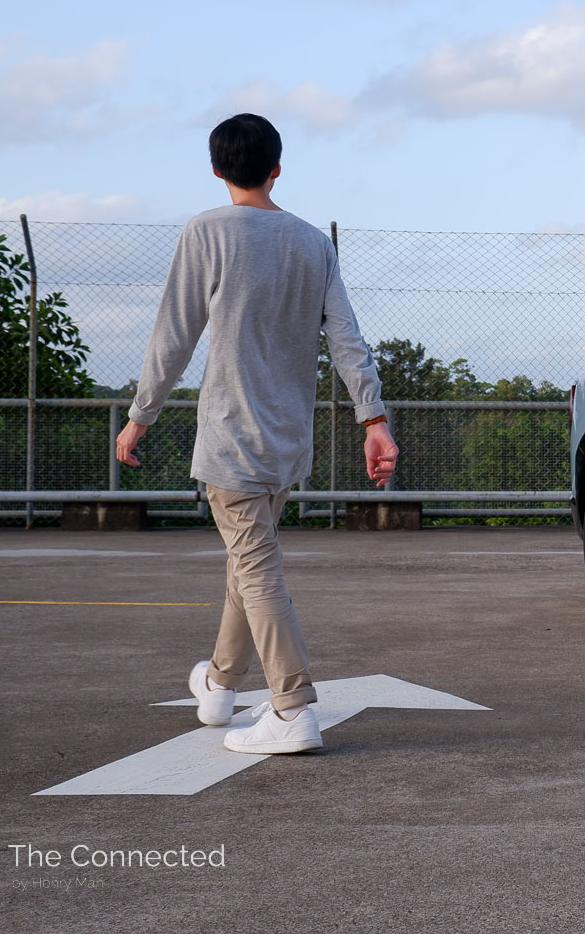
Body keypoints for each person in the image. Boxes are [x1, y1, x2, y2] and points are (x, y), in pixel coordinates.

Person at [115, 113, 397, 754]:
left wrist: (140, 416)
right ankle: (217, 686)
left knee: (256, 567)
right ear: (276, 168)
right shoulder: (310, 241)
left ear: (217, 170)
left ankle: (293, 707)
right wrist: (373, 420)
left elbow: (173, 335)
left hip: (230, 436)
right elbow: (347, 340)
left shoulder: (205, 232)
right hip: (288, 440)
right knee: (248, 560)